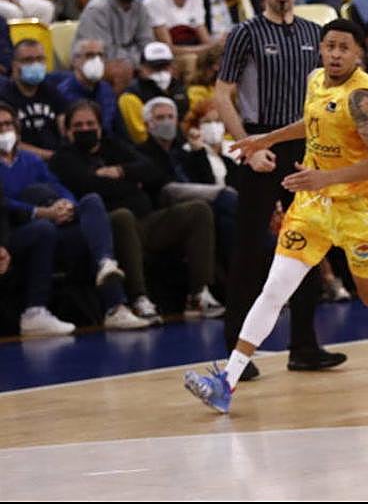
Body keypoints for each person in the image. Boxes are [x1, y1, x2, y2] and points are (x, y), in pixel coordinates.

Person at [184, 17, 368, 413]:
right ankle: (228, 379)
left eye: (345, 47)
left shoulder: (361, 99)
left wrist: (324, 176)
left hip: (360, 210)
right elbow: (313, 123)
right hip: (314, 206)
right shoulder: (315, 79)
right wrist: (267, 138)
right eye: (330, 46)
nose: (335, 54)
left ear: (360, 52)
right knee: (275, 288)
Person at [213, 0, 343, 382]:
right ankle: (237, 351)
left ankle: (304, 345)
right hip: (260, 145)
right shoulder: (245, 33)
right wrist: (248, 148)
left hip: (304, 146)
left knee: (307, 244)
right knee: (251, 251)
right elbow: (222, 93)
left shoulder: (313, 33)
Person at [53, 97, 223, 316]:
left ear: (99, 126)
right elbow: (89, 187)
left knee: (198, 210)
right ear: (67, 131)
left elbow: (152, 170)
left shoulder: (113, 145)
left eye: (90, 124)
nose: (85, 129)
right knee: (123, 216)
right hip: (108, 227)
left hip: (146, 220)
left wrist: (121, 172)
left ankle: (199, 294)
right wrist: (132, 183)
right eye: (78, 126)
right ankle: (138, 298)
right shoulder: (64, 158)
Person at [0, 102, 153, 334]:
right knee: (43, 227)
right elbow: (3, 203)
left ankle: (113, 297)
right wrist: (40, 212)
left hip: (52, 221)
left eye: (8, 124)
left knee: (91, 204)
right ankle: (34, 312)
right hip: (14, 230)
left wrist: (67, 204)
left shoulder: (30, 160)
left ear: (17, 127)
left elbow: (56, 185)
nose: (5, 130)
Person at [75, 0, 156, 90]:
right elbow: (104, 51)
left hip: (129, 62)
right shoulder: (97, 9)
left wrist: (151, 63)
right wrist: (138, 63)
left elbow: (146, 42)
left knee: (165, 67)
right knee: (122, 70)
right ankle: (114, 108)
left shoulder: (139, 6)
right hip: (92, 62)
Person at [58, 38, 125, 138]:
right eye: (90, 55)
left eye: (100, 55)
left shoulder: (106, 89)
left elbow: (119, 129)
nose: (96, 60)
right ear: (75, 61)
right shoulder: (62, 93)